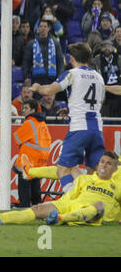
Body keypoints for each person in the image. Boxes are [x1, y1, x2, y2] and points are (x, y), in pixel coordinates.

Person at [26, 42, 105, 193]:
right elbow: (98, 104)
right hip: (97, 129)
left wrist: (37, 88)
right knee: (92, 173)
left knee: (62, 169)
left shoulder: (72, 73)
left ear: (71, 58)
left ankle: (73, 200)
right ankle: (92, 203)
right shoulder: (98, 77)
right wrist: (71, 111)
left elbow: (49, 90)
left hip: (79, 129)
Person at [0, 151, 121, 225]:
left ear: (115, 168)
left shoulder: (117, 186)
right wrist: (57, 204)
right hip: (72, 206)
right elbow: (70, 195)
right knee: (38, 209)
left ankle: (60, 218)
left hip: (95, 216)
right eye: (102, 162)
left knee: (99, 205)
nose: (103, 165)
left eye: (108, 164)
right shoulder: (85, 179)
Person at [13, 99, 52, 207]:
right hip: (41, 160)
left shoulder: (29, 122)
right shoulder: (43, 123)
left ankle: (24, 207)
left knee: (24, 185)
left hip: (29, 160)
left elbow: (17, 138)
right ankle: (38, 208)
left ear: (33, 110)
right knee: (35, 187)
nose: (23, 111)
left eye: (26, 108)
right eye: (22, 108)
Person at [22, 19, 64, 87]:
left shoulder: (56, 44)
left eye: (45, 26)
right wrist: (26, 76)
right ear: (38, 28)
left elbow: (60, 62)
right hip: (36, 80)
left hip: (52, 80)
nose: (43, 29)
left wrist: (59, 78)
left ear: (48, 28)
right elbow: (26, 62)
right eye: (41, 26)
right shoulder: (31, 44)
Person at [91, 39, 121, 119]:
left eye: (109, 46)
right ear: (101, 49)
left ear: (113, 48)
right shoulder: (96, 61)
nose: (107, 48)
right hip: (104, 90)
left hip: (118, 88)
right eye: (104, 46)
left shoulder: (119, 59)